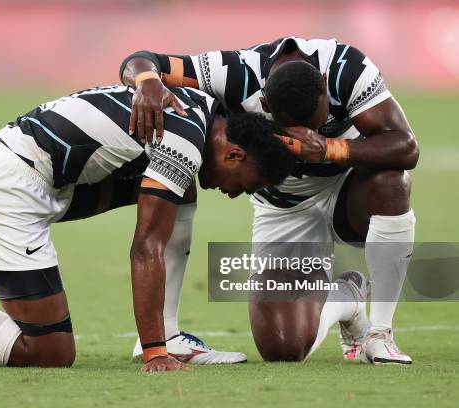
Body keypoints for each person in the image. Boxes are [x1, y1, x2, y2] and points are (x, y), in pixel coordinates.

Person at [0, 84, 294, 372]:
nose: (235, 194)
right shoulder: (185, 142)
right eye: (245, 186)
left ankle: (169, 332)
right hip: (7, 191)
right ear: (234, 154)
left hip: (43, 175)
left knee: (179, 192)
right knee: (51, 352)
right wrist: (154, 355)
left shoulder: (197, 107)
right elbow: (146, 247)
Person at [119, 37, 419, 364]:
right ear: (264, 104)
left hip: (348, 187)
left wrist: (331, 148)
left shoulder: (346, 69)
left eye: (317, 124)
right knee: (283, 348)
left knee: (392, 181)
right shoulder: (232, 74)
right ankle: (347, 297)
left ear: (324, 89)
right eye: (294, 128)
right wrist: (147, 81)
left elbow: (406, 146)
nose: (308, 134)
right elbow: (142, 60)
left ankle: (380, 335)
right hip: (282, 207)